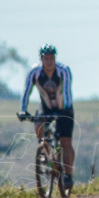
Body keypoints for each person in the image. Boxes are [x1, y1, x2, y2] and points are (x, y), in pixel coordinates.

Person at [18, 44, 75, 188]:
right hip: (45, 108)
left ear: (55, 58)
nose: (49, 61)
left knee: (65, 142)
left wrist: (66, 109)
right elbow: (26, 91)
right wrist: (23, 110)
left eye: (51, 58)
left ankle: (68, 175)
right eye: (46, 58)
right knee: (38, 124)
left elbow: (67, 91)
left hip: (64, 108)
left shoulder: (63, 71)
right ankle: (44, 151)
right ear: (41, 59)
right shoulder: (34, 72)